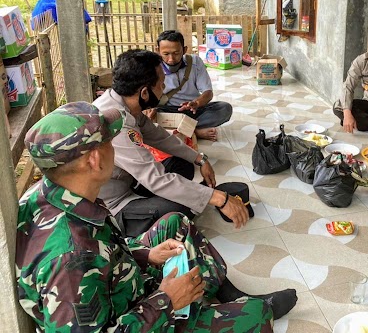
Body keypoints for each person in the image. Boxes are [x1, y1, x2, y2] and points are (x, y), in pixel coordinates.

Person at [16, 102, 297, 332]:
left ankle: (210, 300)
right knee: (256, 315)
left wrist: (144, 255)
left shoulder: (52, 191)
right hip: (136, 315)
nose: (115, 145)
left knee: (175, 223)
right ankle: (200, 309)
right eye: (109, 141)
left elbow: (106, 251)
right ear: (94, 160)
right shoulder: (69, 258)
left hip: (123, 286)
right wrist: (166, 301)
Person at [94, 49, 245, 238]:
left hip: (131, 181)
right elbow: (156, 179)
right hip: (114, 204)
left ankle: (160, 201)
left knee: (183, 165)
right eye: (161, 84)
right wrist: (219, 199)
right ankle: (132, 223)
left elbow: (159, 136)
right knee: (180, 210)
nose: (164, 89)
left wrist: (200, 158)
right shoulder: (117, 124)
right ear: (144, 92)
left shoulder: (125, 104)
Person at [154, 30, 232, 141]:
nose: (171, 59)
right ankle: (195, 132)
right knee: (149, 115)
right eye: (166, 54)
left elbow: (208, 92)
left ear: (184, 50)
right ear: (158, 51)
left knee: (225, 108)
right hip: (168, 111)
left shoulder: (195, 62)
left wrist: (196, 103)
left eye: (176, 53)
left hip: (193, 110)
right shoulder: (153, 67)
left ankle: (183, 130)